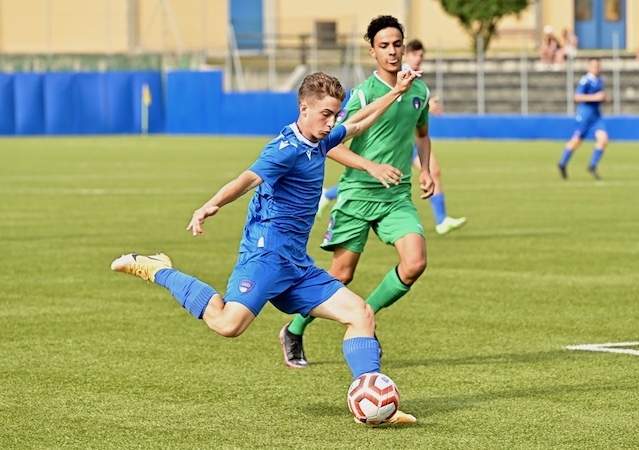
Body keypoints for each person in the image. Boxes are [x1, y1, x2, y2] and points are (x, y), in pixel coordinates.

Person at [110, 69, 421, 424]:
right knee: (228, 324)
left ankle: (375, 402)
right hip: (265, 256)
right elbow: (246, 179)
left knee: (360, 314)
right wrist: (210, 204)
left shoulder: (320, 139)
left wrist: (396, 91)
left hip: (295, 264)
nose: (332, 121)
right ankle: (158, 269)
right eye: (326, 114)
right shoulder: (284, 150)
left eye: (335, 114)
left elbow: (359, 124)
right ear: (304, 108)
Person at [280, 15, 435, 369]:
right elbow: (331, 146)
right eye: (384, 46)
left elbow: (422, 135)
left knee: (415, 263)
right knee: (340, 276)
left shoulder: (420, 91)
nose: (392, 51)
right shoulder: (364, 94)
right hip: (357, 195)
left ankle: (365, 317)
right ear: (372, 51)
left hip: (396, 196)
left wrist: (425, 169)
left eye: (397, 44)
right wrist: (371, 165)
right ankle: (294, 328)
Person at [318, 39, 466, 236]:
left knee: (428, 170)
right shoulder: (391, 74)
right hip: (386, 144)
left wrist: (426, 103)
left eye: (422, 56)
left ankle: (441, 220)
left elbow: (412, 106)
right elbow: (394, 95)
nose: (419, 59)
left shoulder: (418, 86)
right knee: (374, 176)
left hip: (404, 142)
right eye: (416, 55)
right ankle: (328, 195)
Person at [557, 57, 610, 180]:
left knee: (603, 139)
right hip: (584, 116)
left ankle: (592, 165)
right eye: (594, 66)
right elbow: (577, 97)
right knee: (576, 141)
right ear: (589, 67)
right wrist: (595, 97)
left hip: (596, 116)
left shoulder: (600, 80)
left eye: (598, 66)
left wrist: (604, 99)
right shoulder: (585, 80)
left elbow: (598, 96)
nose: (597, 68)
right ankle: (562, 163)